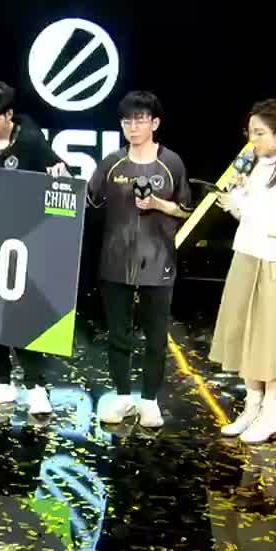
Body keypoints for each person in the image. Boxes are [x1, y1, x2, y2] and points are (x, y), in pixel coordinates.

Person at [0, 81, 70, 416]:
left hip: (25, 246)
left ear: (8, 115)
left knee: (23, 318)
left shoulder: (32, 141)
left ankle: (36, 386)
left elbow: (60, 185)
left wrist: (61, 176)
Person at [87, 91, 192, 427]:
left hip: (158, 260)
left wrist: (158, 204)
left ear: (155, 123)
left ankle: (149, 400)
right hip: (115, 260)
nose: (133, 127)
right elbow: (91, 199)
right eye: (127, 121)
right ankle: (122, 397)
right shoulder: (112, 162)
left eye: (140, 120)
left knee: (156, 337)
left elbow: (185, 209)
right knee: (118, 335)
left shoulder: (171, 162)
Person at [210, 100, 276, 443]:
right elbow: (248, 216)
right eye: (250, 133)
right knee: (244, 333)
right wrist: (234, 200)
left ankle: (270, 414)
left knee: (271, 338)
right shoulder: (255, 166)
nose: (253, 140)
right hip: (247, 254)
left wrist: (243, 204)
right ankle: (251, 407)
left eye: (260, 133)